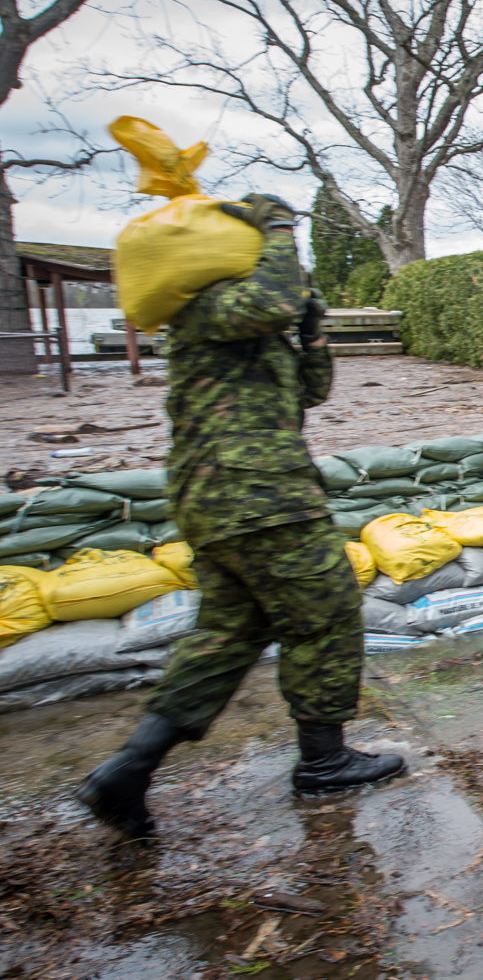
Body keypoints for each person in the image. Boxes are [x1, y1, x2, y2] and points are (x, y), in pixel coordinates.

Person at [75, 194, 404, 840]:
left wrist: (312, 335)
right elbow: (273, 298)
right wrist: (279, 224)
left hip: (226, 501)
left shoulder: (246, 325)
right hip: (260, 497)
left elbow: (310, 391)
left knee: (228, 633)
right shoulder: (210, 307)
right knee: (327, 610)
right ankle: (324, 761)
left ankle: (127, 771)